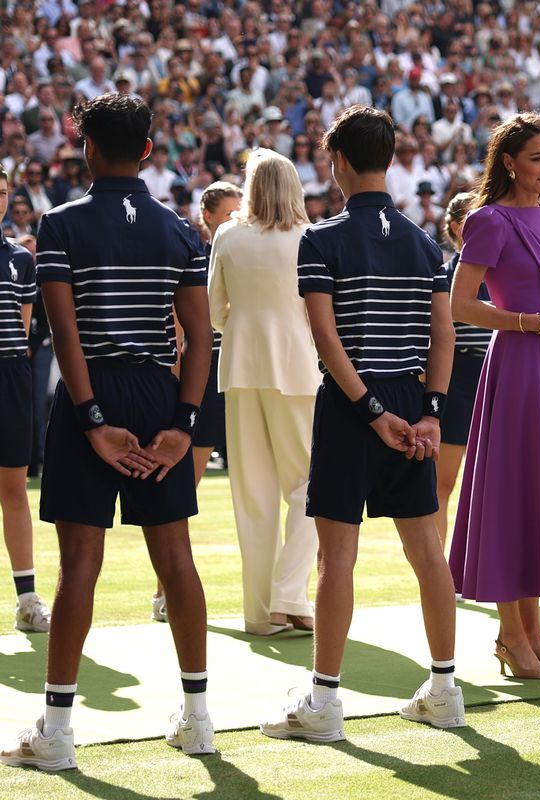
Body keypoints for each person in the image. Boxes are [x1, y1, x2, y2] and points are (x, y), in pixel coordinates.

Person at [1, 93, 215, 770]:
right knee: (176, 560)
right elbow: (201, 336)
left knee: (79, 569)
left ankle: (58, 734)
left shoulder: (60, 223)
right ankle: (200, 720)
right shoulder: (181, 230)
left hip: (90, 390)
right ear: (148, 150)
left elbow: (63, 332)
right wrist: (183, 423)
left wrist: (92, 420)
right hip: (159, 392)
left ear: (87, 148)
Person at [261, 105, 464, 739]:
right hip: (409, 403)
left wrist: (373, 413)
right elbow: (443, 335)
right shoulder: (424, 241)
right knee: (427, 551)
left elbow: (326, 335)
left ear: (339, 161)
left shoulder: (322, 239)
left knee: (337, 559)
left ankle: (324, 703)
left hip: (355, 407)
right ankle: (445, 688)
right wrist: (428, 411)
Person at [448, 112, 540, 681]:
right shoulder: (488, 220)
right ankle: (512, 635)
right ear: (509, 162)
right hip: (517, 366)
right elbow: (461, 306)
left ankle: (531, 635)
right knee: (514, 496)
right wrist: (534, 322)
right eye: (537, 158)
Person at [208, 150, 321, 636]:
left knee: (253, 494)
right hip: (295, 366)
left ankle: (262, 612)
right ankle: (287, 597)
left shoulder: (228, 235)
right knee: (311, 488)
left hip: (239, 365)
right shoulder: (309, 237)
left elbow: (216, 312)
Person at [151, 180, 242, 625]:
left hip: (242, 376)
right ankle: (165, 589)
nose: (235, 219)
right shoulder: (192, 253)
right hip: (203, 381)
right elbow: (179, 320)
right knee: (186, 486)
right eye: (228, 213)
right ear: (207, 216)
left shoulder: (245, 250)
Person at [0, 166, 51, 634]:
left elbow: (22, 326)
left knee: (14, 488)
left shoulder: (21, 259)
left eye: (2, 193)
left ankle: (27, 599)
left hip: (11, 374)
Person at [434, 192, 491, 550]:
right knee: (443, 482)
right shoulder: (442, 275)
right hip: (456, 378)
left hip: (495, 375)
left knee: (493, 484)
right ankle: (442, 570)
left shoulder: (502, 271)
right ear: (457, 228)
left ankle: (484, 567)